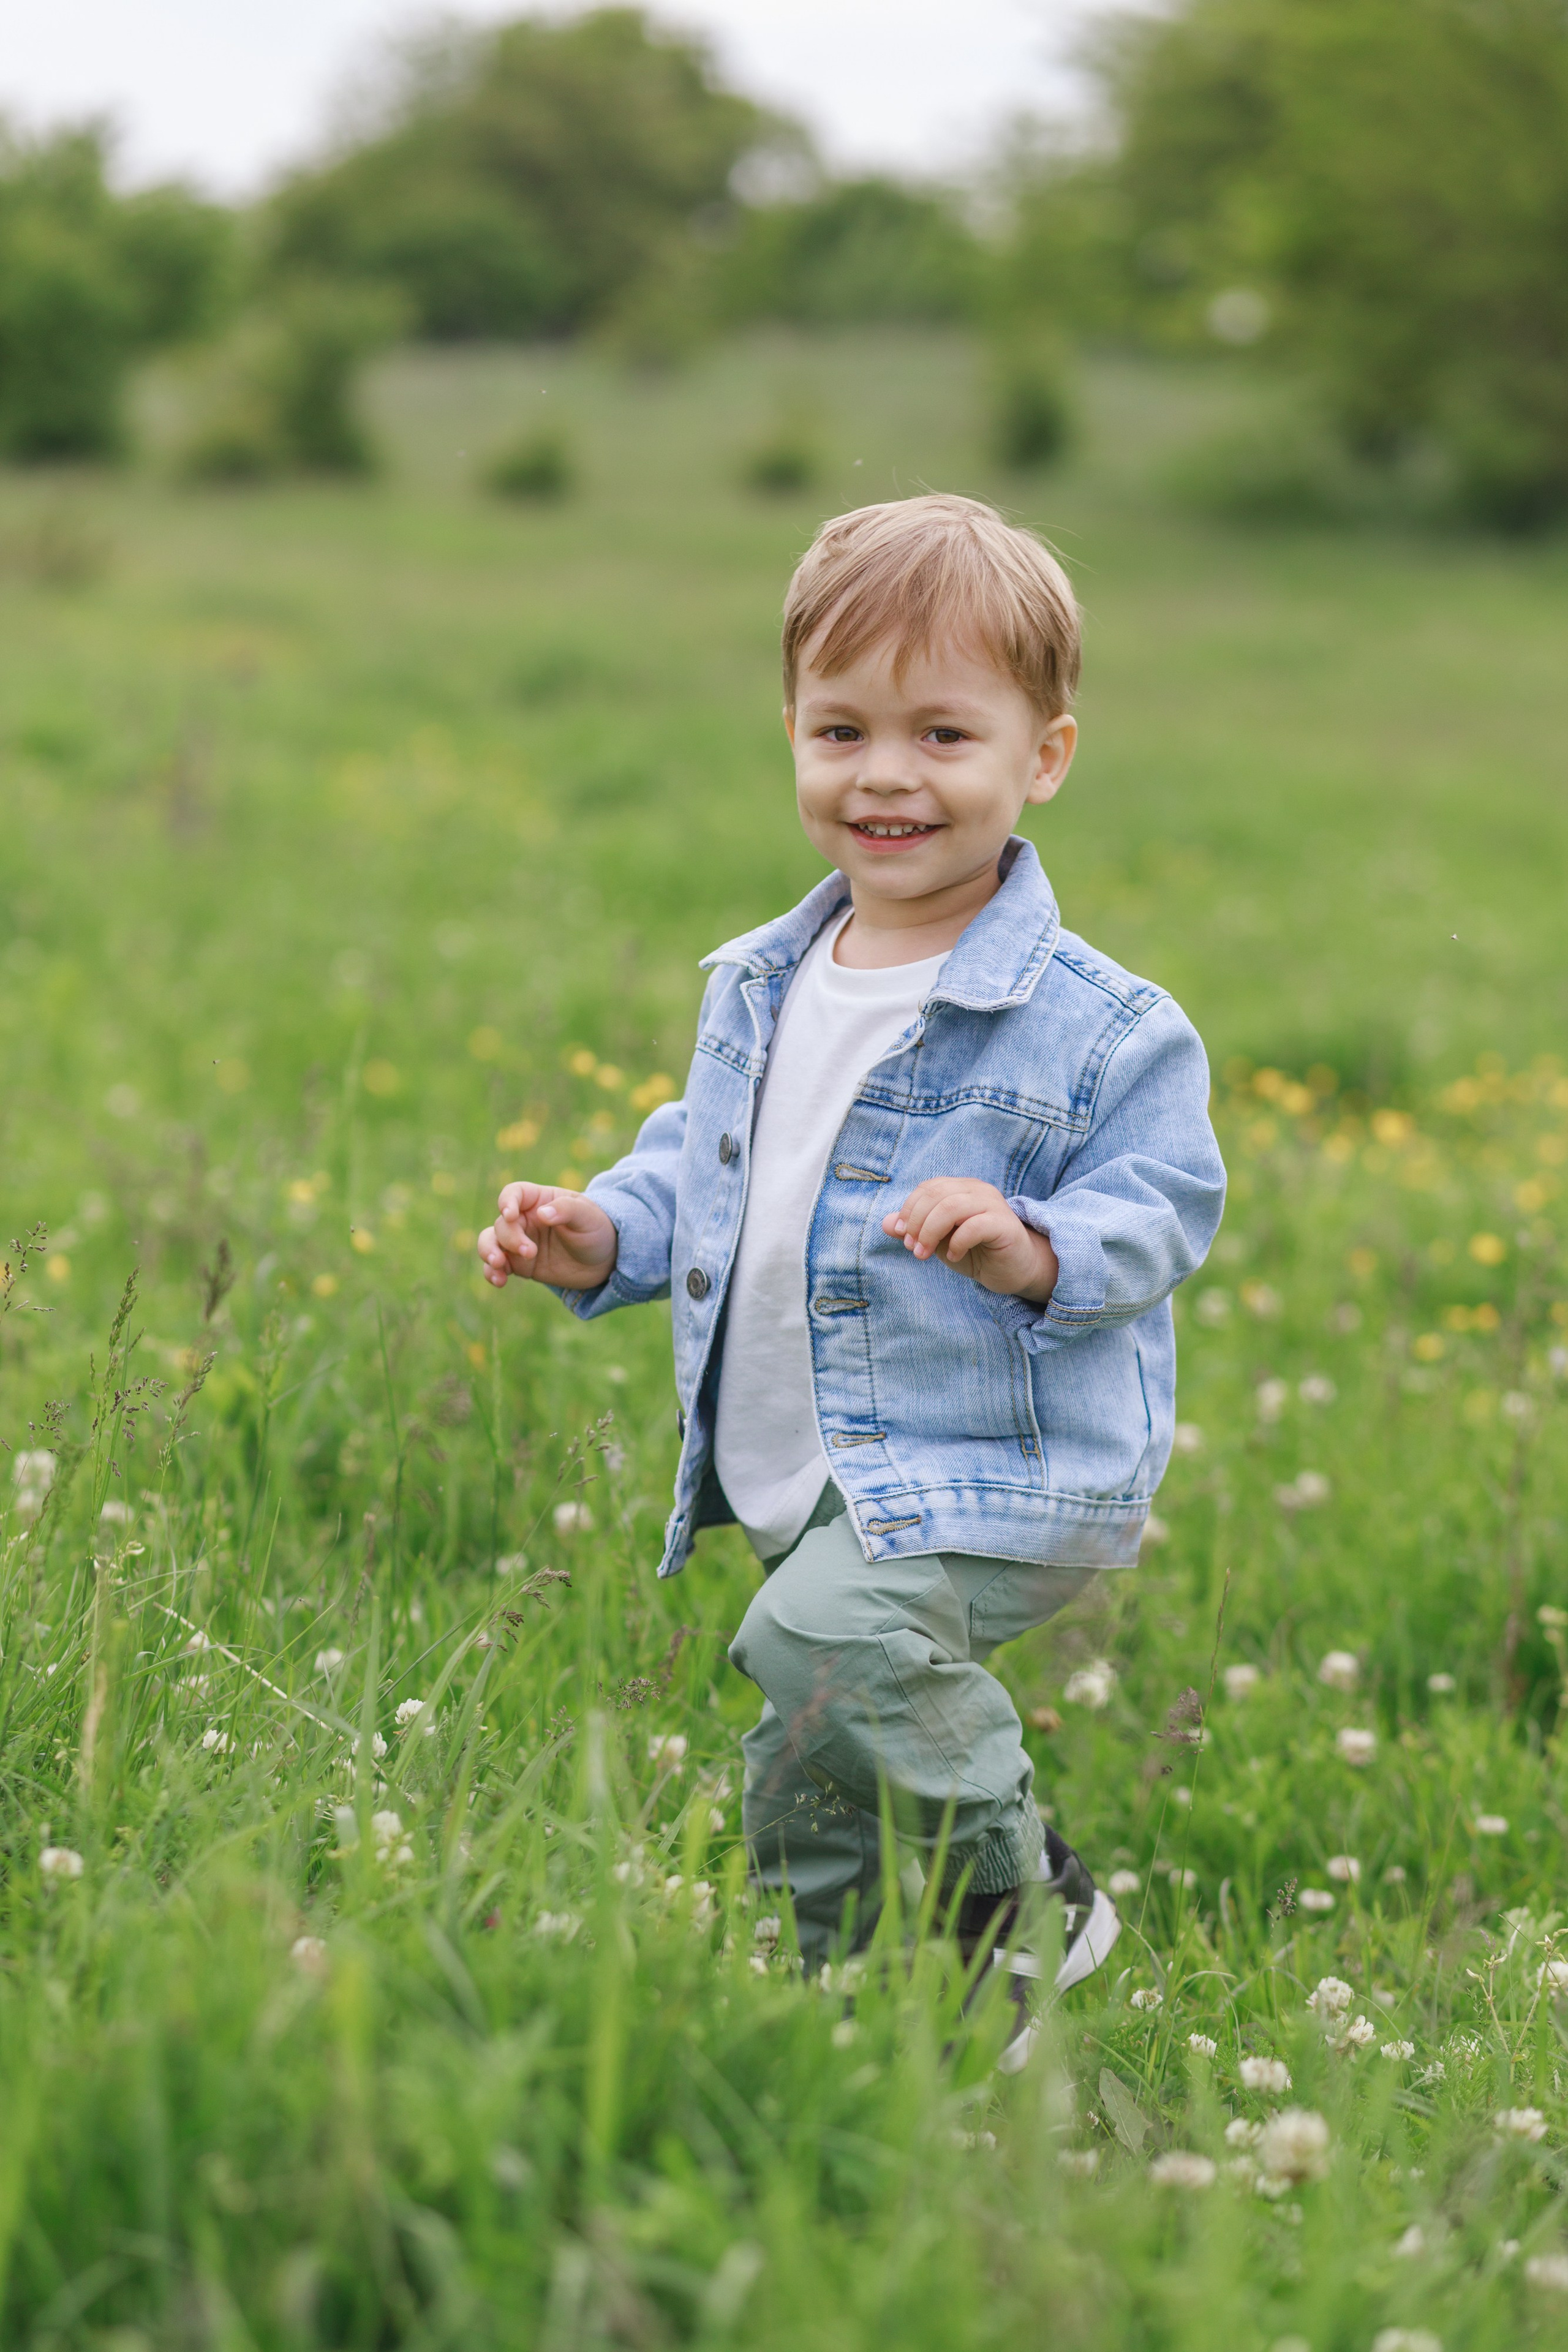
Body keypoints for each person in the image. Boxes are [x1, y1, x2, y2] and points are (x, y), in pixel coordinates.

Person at [478, 494, 1225, 2058]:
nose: (885, 774)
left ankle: (1029, 1894)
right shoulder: (763, 977)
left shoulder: (1100, 1022)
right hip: (795, 1464)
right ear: (793, 739)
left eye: (943, 735)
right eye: (840, 730)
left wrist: (1033, 1250)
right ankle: (887, 2025)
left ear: (1045, 758)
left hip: (986, 1469)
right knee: (810, 1757)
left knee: (820, 1643)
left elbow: (1169, 1202)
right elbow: (706, 1160)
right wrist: (604, 1235)